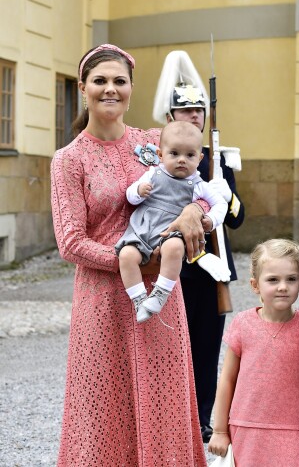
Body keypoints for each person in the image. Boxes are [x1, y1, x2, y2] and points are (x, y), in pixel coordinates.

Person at [50, 44, 208, 465]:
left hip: (160, 298)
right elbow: (70, 241)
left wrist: (195, 210)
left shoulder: (154, 141)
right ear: (82, 88)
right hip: (101, 303)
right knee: (104, 410)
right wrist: (134, 259)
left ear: (132, 88)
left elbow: (199, 186)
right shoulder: (69, 160)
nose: (110, 89)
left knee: (163, 402)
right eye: (100, 80)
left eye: (119, 81)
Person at [152, 50, 245, 442]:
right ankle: (168, 417)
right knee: (169, 349)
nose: (193, 117)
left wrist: (224, 195)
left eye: (198, 111)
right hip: (174, 267)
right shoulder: (161, 159)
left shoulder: (216, 160)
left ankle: (203, 417)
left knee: (207, 350)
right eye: (184, 110)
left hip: (210, 269)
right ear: (170, 116)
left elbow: (238, 217)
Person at [207, 238, 299, 466]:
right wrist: (219, 430)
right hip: (246, 429)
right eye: (273, 280)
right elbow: (227, 379)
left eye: (291, 279)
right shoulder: (243, 323)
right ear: (255, 285)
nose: (283, 286)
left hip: (291, 432)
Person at [116, 121, 227, 323]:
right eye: (174, 154)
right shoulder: (153, 174)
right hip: (143, 229)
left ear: (200, 157)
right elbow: (129, 196)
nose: (182, 160)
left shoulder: (199, 184)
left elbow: (221, 203)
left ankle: (160, 294)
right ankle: (139, 300)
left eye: (190, 155)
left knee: (175, 248)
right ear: (160, 155)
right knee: (126, 255)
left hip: (170, 230)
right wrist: (139, 192)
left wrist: (211, 220)